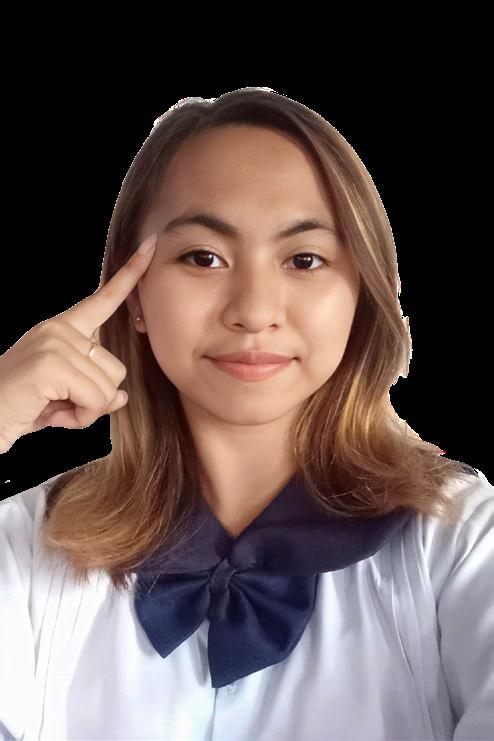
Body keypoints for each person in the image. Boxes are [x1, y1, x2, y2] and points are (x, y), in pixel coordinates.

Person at [1, 88, 492, 740]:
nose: (255, 311)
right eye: (203, 257)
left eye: (305, 259)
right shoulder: (26, 545)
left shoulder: (460, 539)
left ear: (362, 292)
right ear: (134, 295)